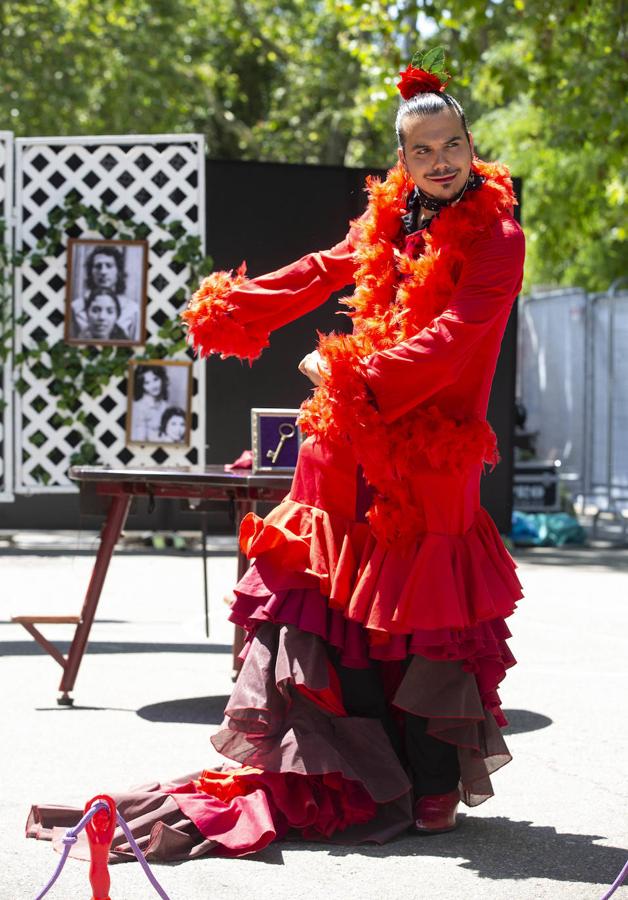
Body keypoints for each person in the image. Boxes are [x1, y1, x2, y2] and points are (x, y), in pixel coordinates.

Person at [27, 50, 525, 861]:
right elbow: (325, 269)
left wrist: (354, 371)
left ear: (472, 145)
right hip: (349, 438)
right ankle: (369, 773)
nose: (440, 162)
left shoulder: (498, 236)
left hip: (430, 446)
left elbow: (459, 334)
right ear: (402, 158)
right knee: (334, 602)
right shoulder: (392, 217)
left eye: (452, 146)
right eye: (423, 150)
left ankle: (432, 785)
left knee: (425, 617)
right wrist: (241, 306)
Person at [71, 245, 139, 341]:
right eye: (98, 266)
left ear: (118, 271)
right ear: (91, 272)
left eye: (109, 266)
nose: (103, 271)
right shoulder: (76, 307)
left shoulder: (132, 309)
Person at [130, 365, 169, 443]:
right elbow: (139, 440)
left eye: (155, 379)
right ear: (141, 386)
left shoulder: (164, 405)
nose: (153, 386)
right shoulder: (139, 407)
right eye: (147, 383)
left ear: (162, 379)